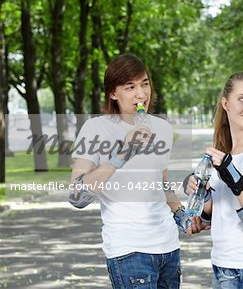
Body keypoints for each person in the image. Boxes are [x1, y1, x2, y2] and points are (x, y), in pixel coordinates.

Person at [69, 54, 191, 288]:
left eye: (145, 84)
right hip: (129, 252)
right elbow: (76, 195)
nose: (141, 94)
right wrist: (122, 153)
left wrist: (181, 215)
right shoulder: (96, 129)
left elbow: (162, 184)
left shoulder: (162, 128)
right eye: (130, 87)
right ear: (113, 93)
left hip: (169, 249)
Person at [186, 72, 243, 289]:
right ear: (225, 103)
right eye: (242, 99)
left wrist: (233, 177)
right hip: (222, 263)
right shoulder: (224, 149)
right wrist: (201, 192)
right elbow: (215, 213)